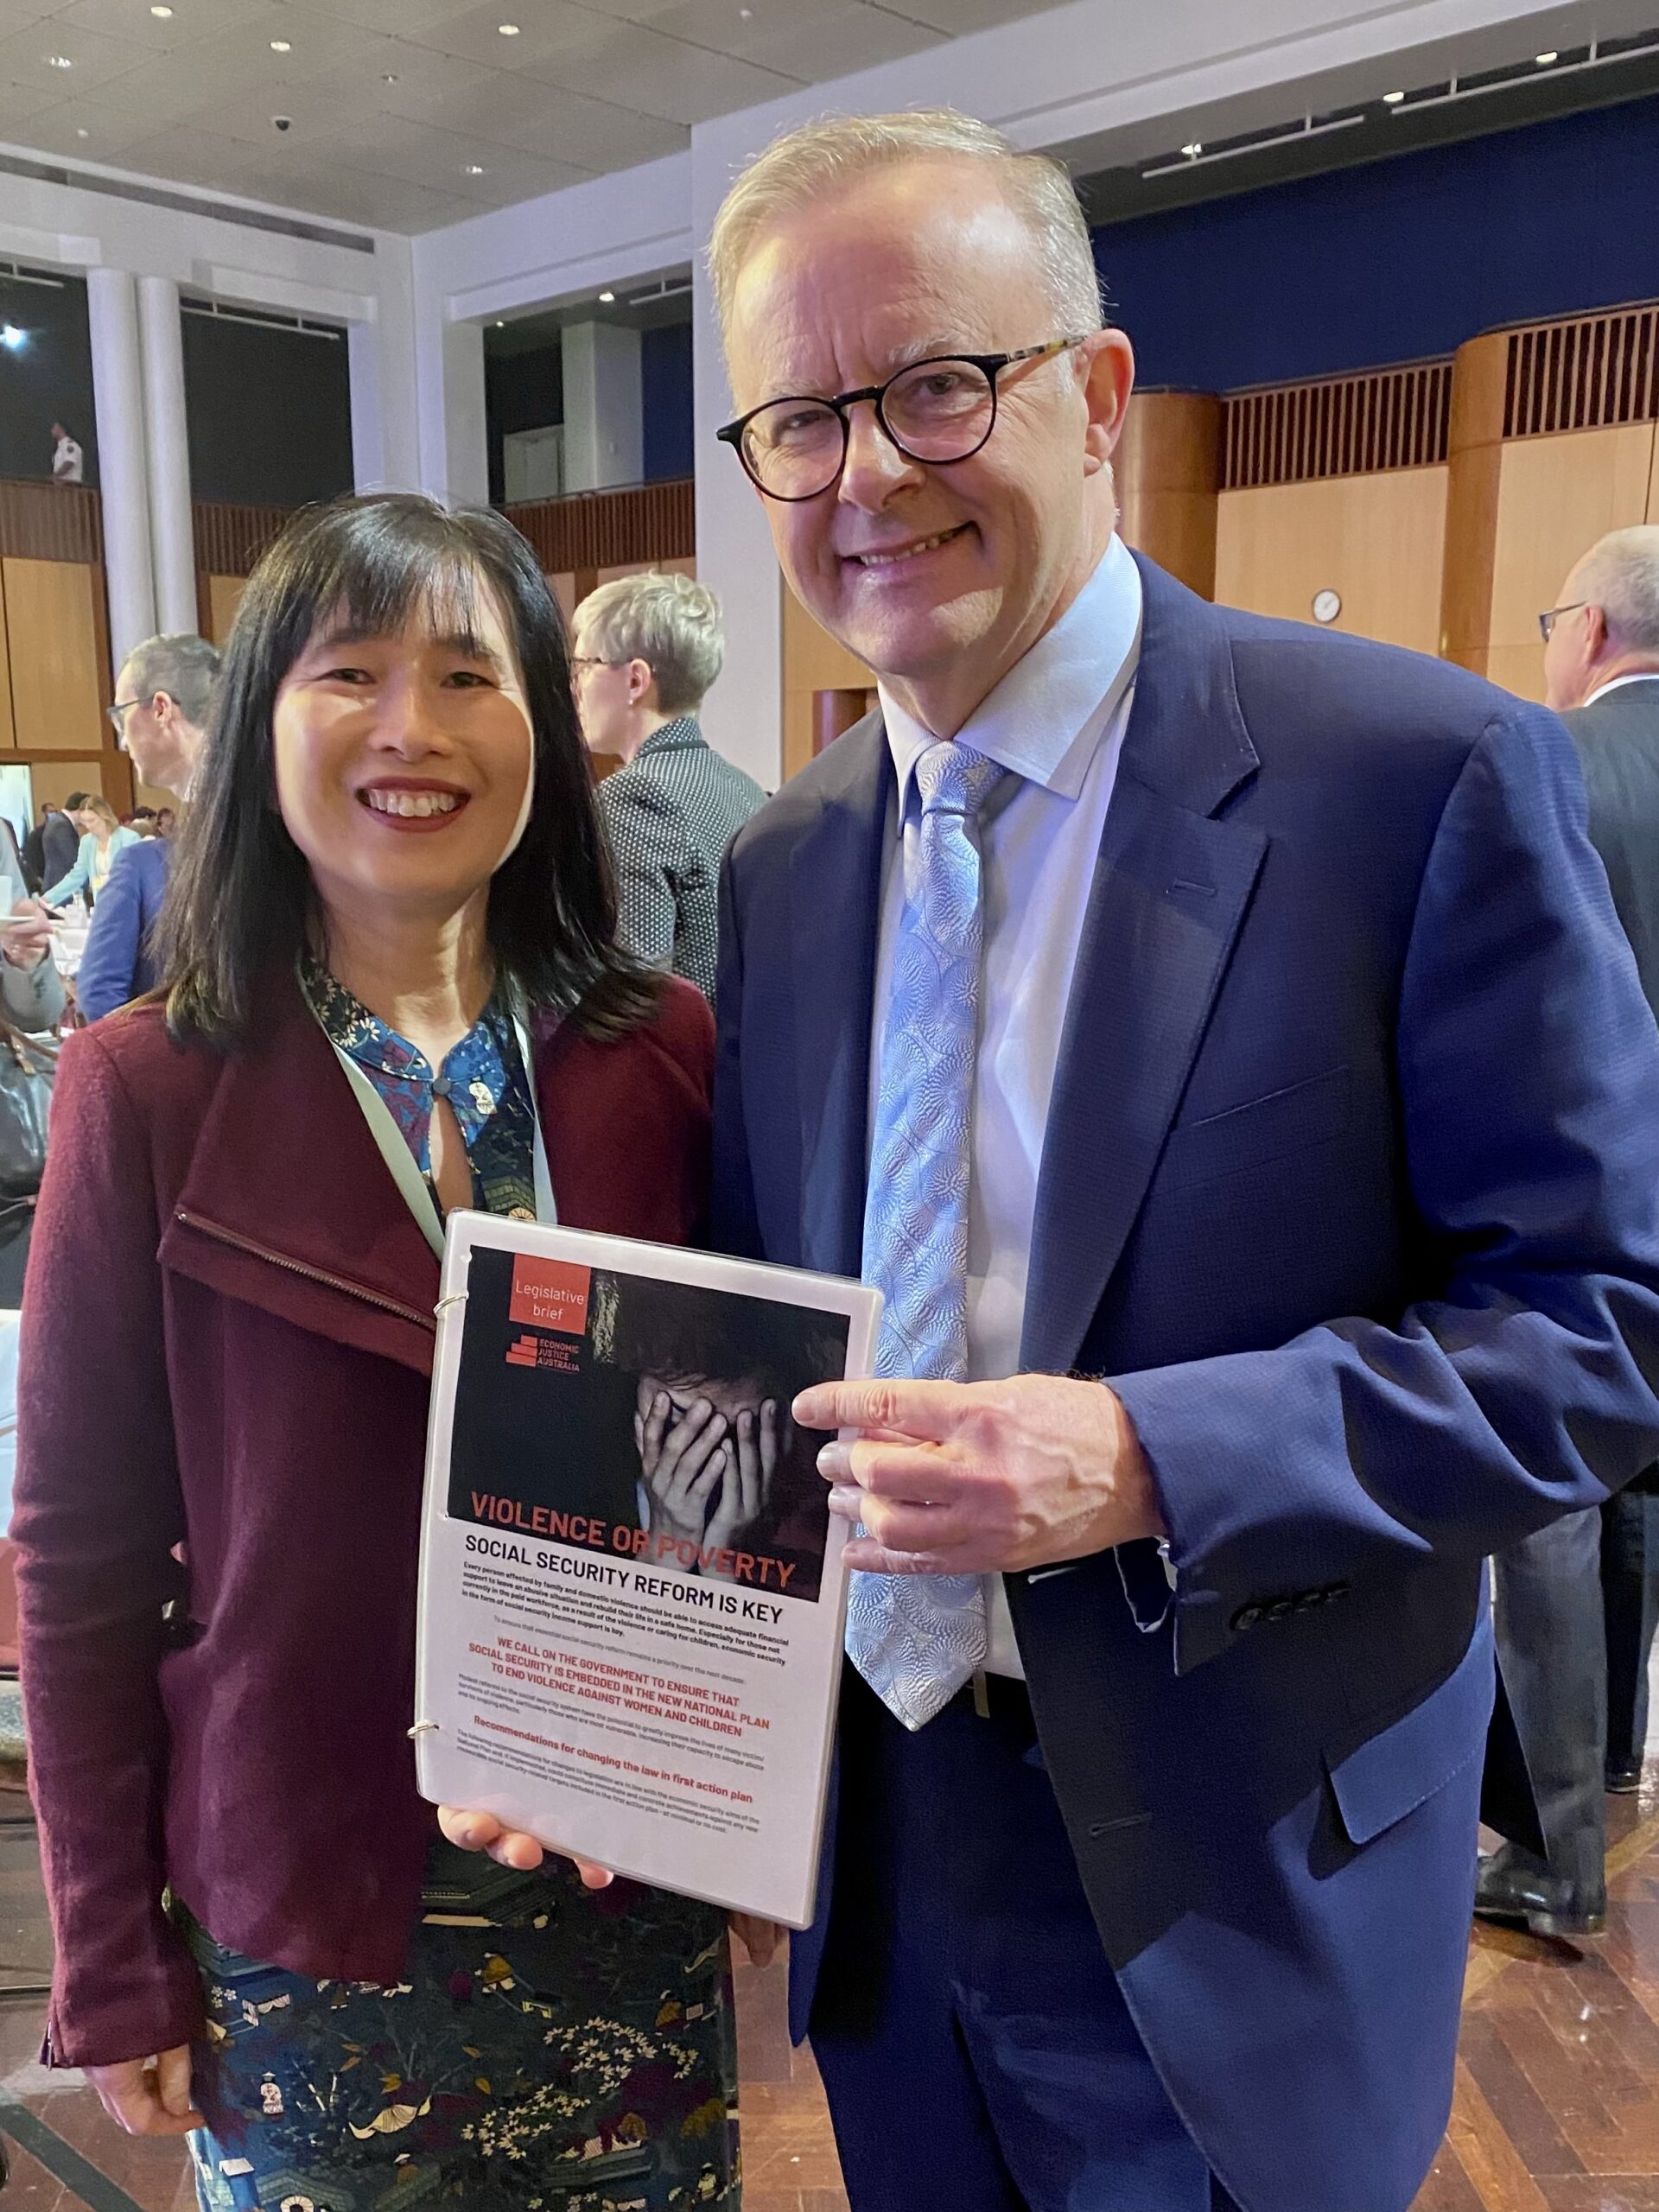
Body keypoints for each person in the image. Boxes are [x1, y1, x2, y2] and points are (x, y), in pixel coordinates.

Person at [699, 110, 1659, 2212]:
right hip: (891, 1859)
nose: (865, 470)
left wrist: (1145, 1450)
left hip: (1244, 1877)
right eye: (799, 417)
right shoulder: (785, 868)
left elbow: (1598, 1334)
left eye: (937, 383)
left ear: (1100, 397)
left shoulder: (1411, 777)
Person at [13, 493, 748, 2209]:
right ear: (266, 714)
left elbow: (734, 1452)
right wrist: (110, 1949)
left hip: (618, 1871)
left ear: (541, 733)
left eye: (469, 675)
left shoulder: (659, 1051)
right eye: (350, 670)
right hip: (305, 1901)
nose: (412, 729)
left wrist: (750, 1802)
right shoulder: (149, 1080)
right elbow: (81, 1558)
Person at [1478, 524, 1659, 1938]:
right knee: (1642, 1497)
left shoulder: (1546, 766)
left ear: (1588, 631)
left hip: (1574, 1215)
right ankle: (1615, 1765)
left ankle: (1560, 1850)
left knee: (1551, 1515)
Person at [574, 570, 766, 1001]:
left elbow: (635, 999)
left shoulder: (630, 798)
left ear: (635, 681)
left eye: (584, 666)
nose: (575, 688)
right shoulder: (745, 788)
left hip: (686, 1066)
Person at [79, 633, 219, 1022]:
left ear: (161, 708)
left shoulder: (143, 864)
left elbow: (98, 996)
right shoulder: (296, 823)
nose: (121, 741)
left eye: (120, 715)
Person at [39, 793, 137, 910]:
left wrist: (101, 882)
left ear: (105, 816)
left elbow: (133, 875)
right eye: (84, 821)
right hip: (101, 904)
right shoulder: (87, 842)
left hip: (127, 902)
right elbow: (76, 876)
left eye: (92, 820)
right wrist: (49, 897)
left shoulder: (129, 838)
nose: (88, 826)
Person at [38, 799, 81, 891]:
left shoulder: (57, 821)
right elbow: (71, 858)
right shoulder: (62, 825)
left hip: (58, 884)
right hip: (62, 885)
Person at [50, 422, 82, 486]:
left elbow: (69, 462)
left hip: (70, 485)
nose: (52, 431)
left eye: (54, 428)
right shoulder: (60, 447)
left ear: (61, 429)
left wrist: (55, 476)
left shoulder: (69, 445)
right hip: (61, 485)